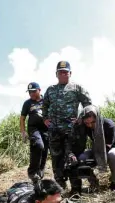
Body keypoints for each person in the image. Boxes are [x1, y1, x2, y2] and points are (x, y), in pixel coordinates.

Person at [42, 61, 92, 189]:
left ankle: (76, 189)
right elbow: (45, 105)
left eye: (66, 72)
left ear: (70, 73)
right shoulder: (50, 90)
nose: (63, 74)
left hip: (71, 131)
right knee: (56, 159)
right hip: (54, 131)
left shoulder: (77, 88)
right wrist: (45, 118)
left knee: (72, 158)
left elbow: (88, 104)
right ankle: (59, 188)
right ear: (56, 74)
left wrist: (81, 118)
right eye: (61, 72)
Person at [70, 105, 115, 193]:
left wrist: (96, 159)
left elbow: (107, 147)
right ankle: (94, 183)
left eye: (93, 122)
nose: (90, 125)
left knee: (113, 155)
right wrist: (77, 124)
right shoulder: (85, 126)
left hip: (111, 148)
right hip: (96, 149)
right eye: (87, 123)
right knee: (82, 158)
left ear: (97, 118)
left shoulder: (109, 125)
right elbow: (77, 133)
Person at [20, 82, 49, 183]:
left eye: (33, 91)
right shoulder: (27, 103)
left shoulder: (46, 100)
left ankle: (40, 172)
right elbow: (22, 118)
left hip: (46, 129)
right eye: (29, 92)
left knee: (45, 150)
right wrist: (23, 132)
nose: (31, 94)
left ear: (39, 90)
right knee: (38, 145)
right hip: (33, 129)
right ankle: (32, 172)